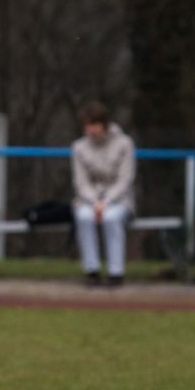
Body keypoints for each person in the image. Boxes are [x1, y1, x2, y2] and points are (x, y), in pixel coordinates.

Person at [71, 102, 135, 287]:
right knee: (83, 216)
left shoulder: (125, 144)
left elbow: (125, 180)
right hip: (88, 200)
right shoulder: (79, 147)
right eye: (86, 125)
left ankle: (116, 272)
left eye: (93, 125)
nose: (89, 130)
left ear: (104, 124)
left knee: (111, 218)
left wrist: (106, 201)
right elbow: (80, 182)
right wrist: (95, 202)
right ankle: (92, 271)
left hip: (120, 200)